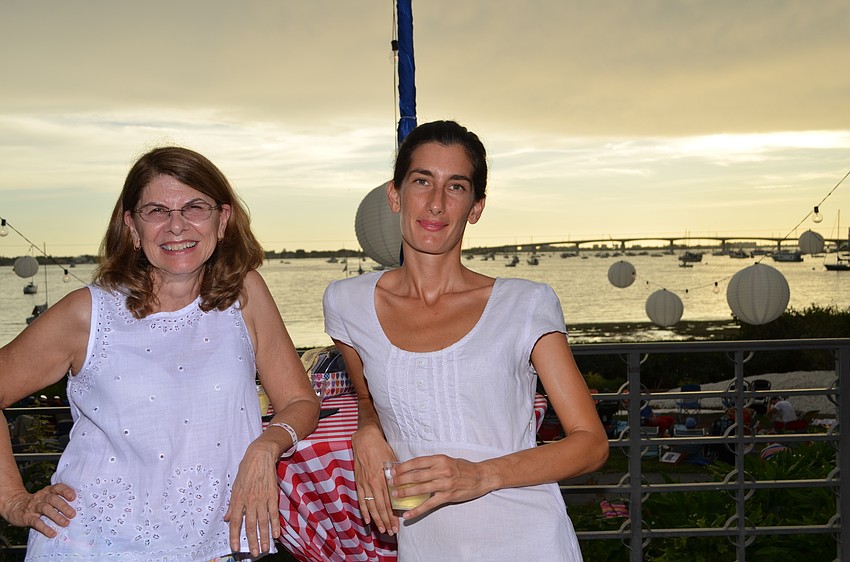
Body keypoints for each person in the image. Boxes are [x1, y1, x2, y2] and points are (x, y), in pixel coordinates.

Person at [0, 146, 320, 561]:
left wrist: (266, 446)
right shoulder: (88, 313)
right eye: (156, 211)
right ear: (132, 226)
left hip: (219, 546)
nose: (176, 226)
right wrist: (12, 500)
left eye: (194, 207)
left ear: (222, 220)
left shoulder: (245, 295)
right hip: (93, 547)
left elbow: (299, 402)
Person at [323, 120, 609, 561]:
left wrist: (479, 476)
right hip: (426, 545)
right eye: (422, 181)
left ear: (475, 206)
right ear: (395, 195)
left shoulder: (525, 304)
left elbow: (591, 443)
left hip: (528, 539)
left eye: (456, 187)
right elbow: (368, 398)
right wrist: (367, 431)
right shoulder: (347, 304)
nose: (435, 204)